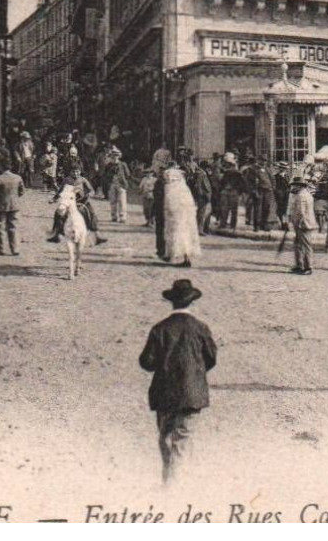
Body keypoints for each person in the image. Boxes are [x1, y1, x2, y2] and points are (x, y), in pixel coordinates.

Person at [139, 278, 217, 485]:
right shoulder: (200, 328)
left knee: (165, 438)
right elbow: (211, 358)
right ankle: (176, 486)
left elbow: (146, 362)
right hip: (192, 393)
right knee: (182, 440)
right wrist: (195, 371)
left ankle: (170, 483)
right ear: (192, 302)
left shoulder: (160, 329)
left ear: (171, 302)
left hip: (165, 392)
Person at [161, 161, 201, 268]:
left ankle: (180, 257)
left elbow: (169, 205)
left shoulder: (170, 188)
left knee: (178, 235)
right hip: (186, 218)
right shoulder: (184, 189)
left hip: (176, 218)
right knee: (187, 234)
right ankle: (184, 257)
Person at [53, 174, 91, 279]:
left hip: (80, 202)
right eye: (73, 171)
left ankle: (90, 227)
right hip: (68, 204)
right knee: (58, 214)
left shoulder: (83, 179)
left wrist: (85, 194)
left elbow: (90, 190)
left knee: (87, 211)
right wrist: (55, 198)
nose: (75, 173)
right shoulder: (66, 181)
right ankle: (57, 231)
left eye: (77, 170)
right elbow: (60, 192)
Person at [0, 151, 25, 256]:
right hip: (14, 205)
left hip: (1, 205)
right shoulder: (17, 178)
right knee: (13, 227)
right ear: (10, 167)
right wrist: (14, 197)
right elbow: (22, 191)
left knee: (0, 227)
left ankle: (1, 249)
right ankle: (15, 249)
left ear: (1, 167)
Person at [286, 177, 318, 274]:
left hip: (303, 224)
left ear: (299, 186)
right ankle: (299, 265)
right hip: (303, 223)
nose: (293, 187)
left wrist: (294, 223)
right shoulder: (304, 194)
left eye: (294, 185)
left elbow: (300, 212)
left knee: (305, 245)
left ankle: (308, 267)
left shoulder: (301, 196)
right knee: (298, 244)